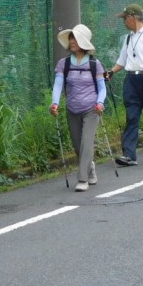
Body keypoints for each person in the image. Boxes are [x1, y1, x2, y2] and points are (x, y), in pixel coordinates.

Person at [49, 24, 106, 191]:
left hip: (91, 109)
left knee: (86, 143)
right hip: (72, 109)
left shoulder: (95, 64)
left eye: (75, 38)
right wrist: (55, 103)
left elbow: (102, 87)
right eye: (70, 38)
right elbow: (58, 85)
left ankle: (82, 179)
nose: (72, 41)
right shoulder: (63, 64)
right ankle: (90, 168)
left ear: (84, 42)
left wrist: (100, 102)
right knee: (77, 145)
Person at [107, 4, 143, 165]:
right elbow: (122, 61)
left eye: (125, 18)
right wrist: (111, 71)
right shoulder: (128, 38)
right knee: (132, 116)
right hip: (131, 79)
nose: (124, 21)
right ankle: (129, 154)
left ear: (133, 18)